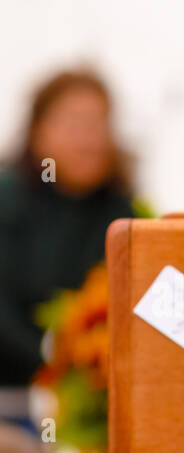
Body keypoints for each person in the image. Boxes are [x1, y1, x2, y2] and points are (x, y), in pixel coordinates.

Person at [0, 70, 135, 433]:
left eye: (98, 124)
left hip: (95, 401)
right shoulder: (9, 200)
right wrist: (58, 358)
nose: (89, 140)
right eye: (75, 124)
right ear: (38, 132)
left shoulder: (122, 212)